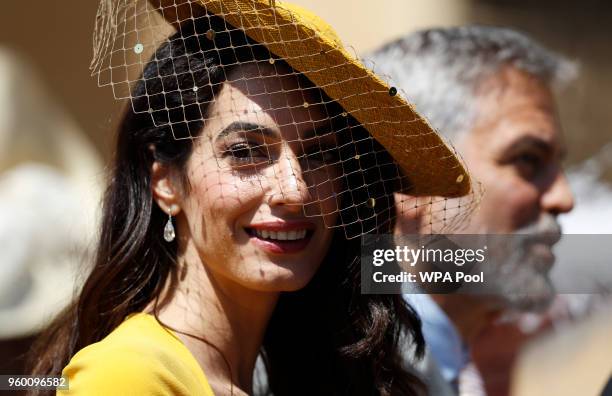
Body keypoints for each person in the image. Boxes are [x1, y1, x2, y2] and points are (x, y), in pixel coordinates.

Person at [29, 1, 472, 395]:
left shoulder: (283, 374)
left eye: (319, 154)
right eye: (245, 153)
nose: (295, 190)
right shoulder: (129, 377)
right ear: (165, 181)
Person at [370, 25, 576, 394]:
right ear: (409, 177)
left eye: (558, 166)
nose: (563, 198)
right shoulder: (330, 373)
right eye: (527, 160)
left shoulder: (443, 368)